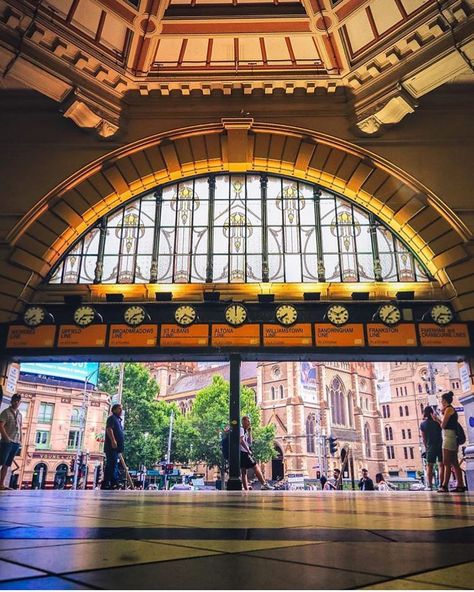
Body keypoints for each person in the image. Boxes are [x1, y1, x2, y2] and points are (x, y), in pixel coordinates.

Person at [432, 392, 466, 493]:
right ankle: (460, 485)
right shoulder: (449, 409)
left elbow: (443, 425)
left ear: (445, 401)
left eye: (441, 400)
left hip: (449, 437)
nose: (440, 401)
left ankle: (444, 486)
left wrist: (437, 420)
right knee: (454, 463)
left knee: (446, 462)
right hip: (450, 436)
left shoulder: (449, 409)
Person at [240, 416, 273, 490]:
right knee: (255, 466)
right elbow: (241, 441)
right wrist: (248, 450)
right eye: (248, 421)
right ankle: (264, 484)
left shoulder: (245, 431)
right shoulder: (241, 429)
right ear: (243, 421)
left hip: (243, 452)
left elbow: (250, 442)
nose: (249, 423)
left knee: (244, 471)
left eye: (249, 421)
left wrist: (249, 432)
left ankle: (246, 488)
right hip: (243, 452)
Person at [0, 393, 22, 491]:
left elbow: (20, 427)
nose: (16, 403)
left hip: (16, 442)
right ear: (11, 401)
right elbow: (1, 425)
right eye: (15, 401)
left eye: (18, 401)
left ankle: (1, 484)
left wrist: (20, 440)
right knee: (1, 461)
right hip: (7, 442)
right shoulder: (6, 412)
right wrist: (6, 438)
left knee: (7, 464)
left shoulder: (20, 414)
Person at [420, 405, 444, 490]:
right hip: (440, 445)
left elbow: (423, 438)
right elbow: (443, 426)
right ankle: (441, 485)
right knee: (441, 465)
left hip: (430, 446)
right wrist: (436, 419)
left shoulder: (423, 424)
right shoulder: (437, 422)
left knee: (429, 466)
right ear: (431, 413)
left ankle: (429, 486)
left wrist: (426, 448)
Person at [102, 403, 124, 490]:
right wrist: (113, 440)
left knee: (113, 464)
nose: (121, 410)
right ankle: (111, 482)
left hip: (116, 448)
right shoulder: (111, 418)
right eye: (119, 408)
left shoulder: (117, 420)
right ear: (114, 410)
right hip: (112, 447)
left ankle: (110, 482)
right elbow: (109, 429)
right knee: (112, 464)